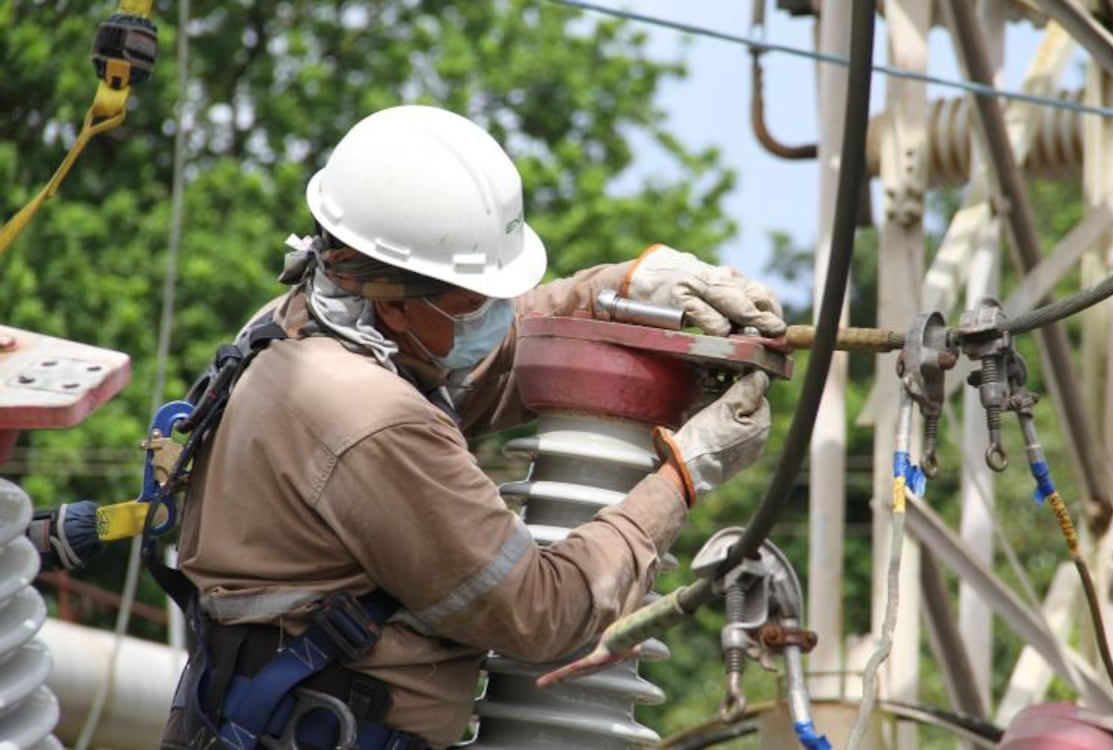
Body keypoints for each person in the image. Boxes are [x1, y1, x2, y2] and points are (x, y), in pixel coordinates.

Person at [161, 104, 786, 750]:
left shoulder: (307, 323)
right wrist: (683, 476)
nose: (493, 315)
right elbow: (541, 611)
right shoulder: (371, 420)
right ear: (396, 303)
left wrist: (625, 286)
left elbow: (492, 358)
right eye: (474, 300)